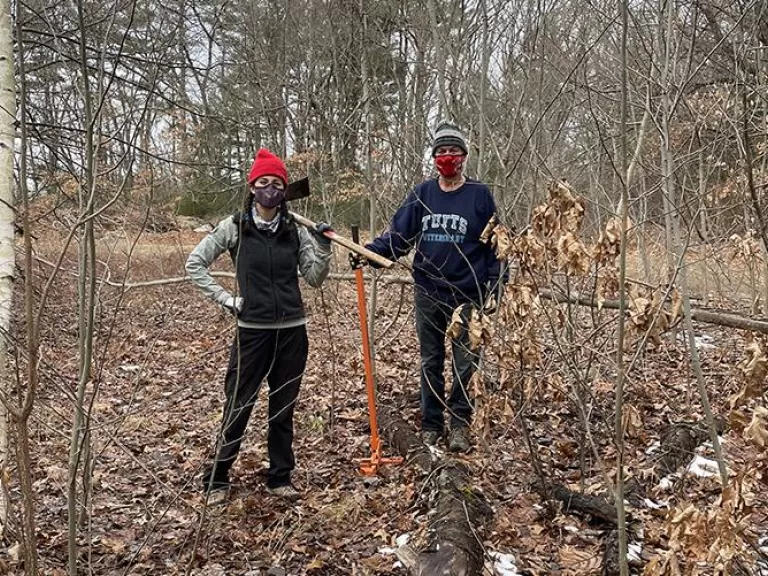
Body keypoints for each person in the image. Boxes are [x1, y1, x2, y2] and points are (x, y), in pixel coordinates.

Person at [186, 148, 332, 502]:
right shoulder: (235, 227)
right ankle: (217, 478)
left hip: (292, 331)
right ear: (252, 187)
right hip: (253, 332)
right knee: (239, 404)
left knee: (283, 408)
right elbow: (195, 263)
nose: (270, 190)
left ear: (284, 189)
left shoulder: (294, 230)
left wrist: (323, 247)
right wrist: (227, 299)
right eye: (263, 183)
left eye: (277, 184)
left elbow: (314, 278)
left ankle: (279, 477)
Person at [356, 121, 503, 453]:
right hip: (428, 292)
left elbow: (496, 245)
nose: (448, 157)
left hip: (468, 294)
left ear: (464, 156)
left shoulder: (479, 195)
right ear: (434, 157)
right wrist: (369, 253)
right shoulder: (422, 195)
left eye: (453, 151)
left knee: (466, 363)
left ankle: (460, 424)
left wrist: (496, 284)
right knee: (430, 360)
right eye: (441, 151)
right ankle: (431, 425)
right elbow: (398, 237)